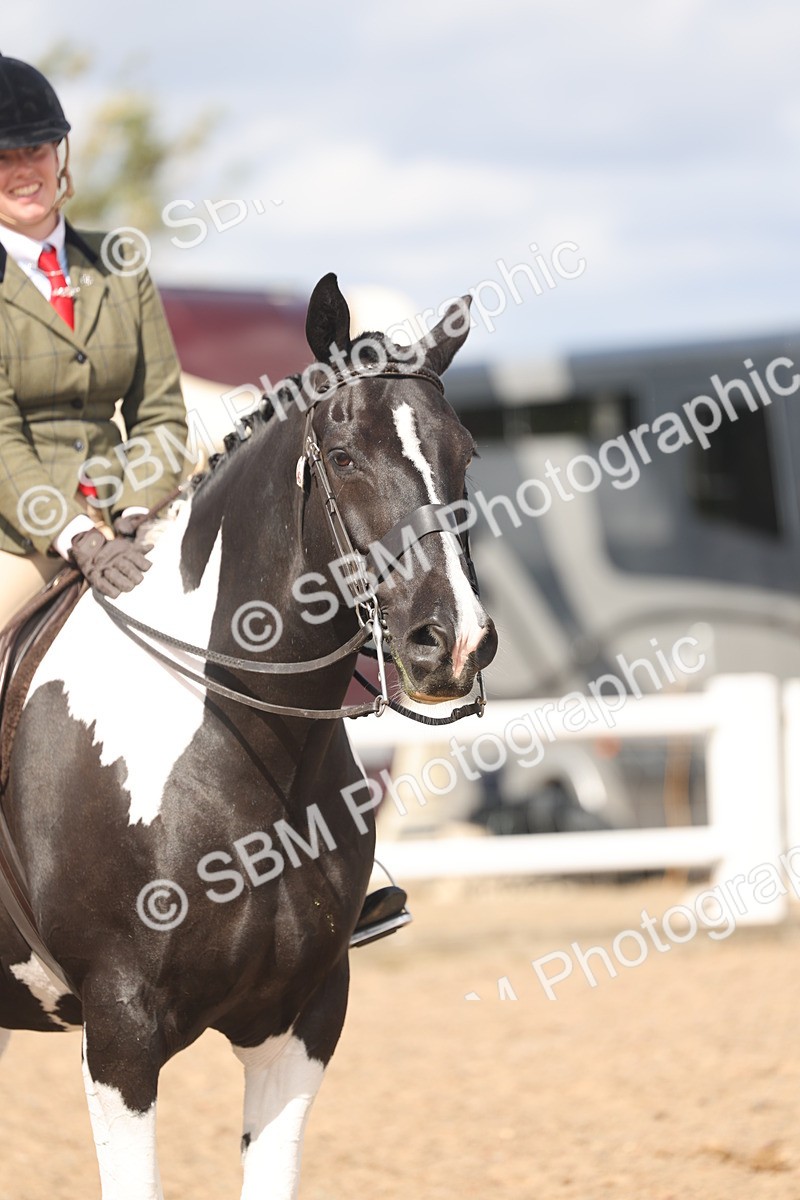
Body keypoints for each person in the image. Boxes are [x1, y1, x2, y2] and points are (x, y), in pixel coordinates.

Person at [0, 53, 188, 630]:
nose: (24, 170)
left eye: (35, 150)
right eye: (2, 158)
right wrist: (76, 535)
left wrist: (136, 510)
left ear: (60, 154)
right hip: (19, 533)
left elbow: (158, 410)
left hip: (127, 516)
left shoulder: (120, 260)